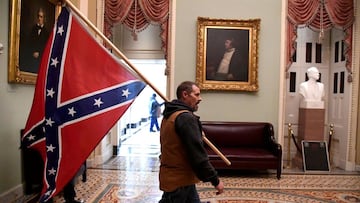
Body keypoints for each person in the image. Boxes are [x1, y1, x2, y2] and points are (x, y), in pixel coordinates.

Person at [158, 81, 224, 202]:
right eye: (197, 94)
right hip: (178, 181)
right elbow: (197, 154)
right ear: (185, 94)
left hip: (180, 178)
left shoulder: (170, 115)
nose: (200, 99)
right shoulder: (185, 118)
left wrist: (196, 132)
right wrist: (215, 180)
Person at [25, 8, 50, 73]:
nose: (39, 19)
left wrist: (39, 52)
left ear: (44, 18)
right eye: (38, 16)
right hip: (31, 58)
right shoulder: (33, 29)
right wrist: (33, 52)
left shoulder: (47, 32)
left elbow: (46, 47)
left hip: (41, 59)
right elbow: (29, 43)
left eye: (41, 17)